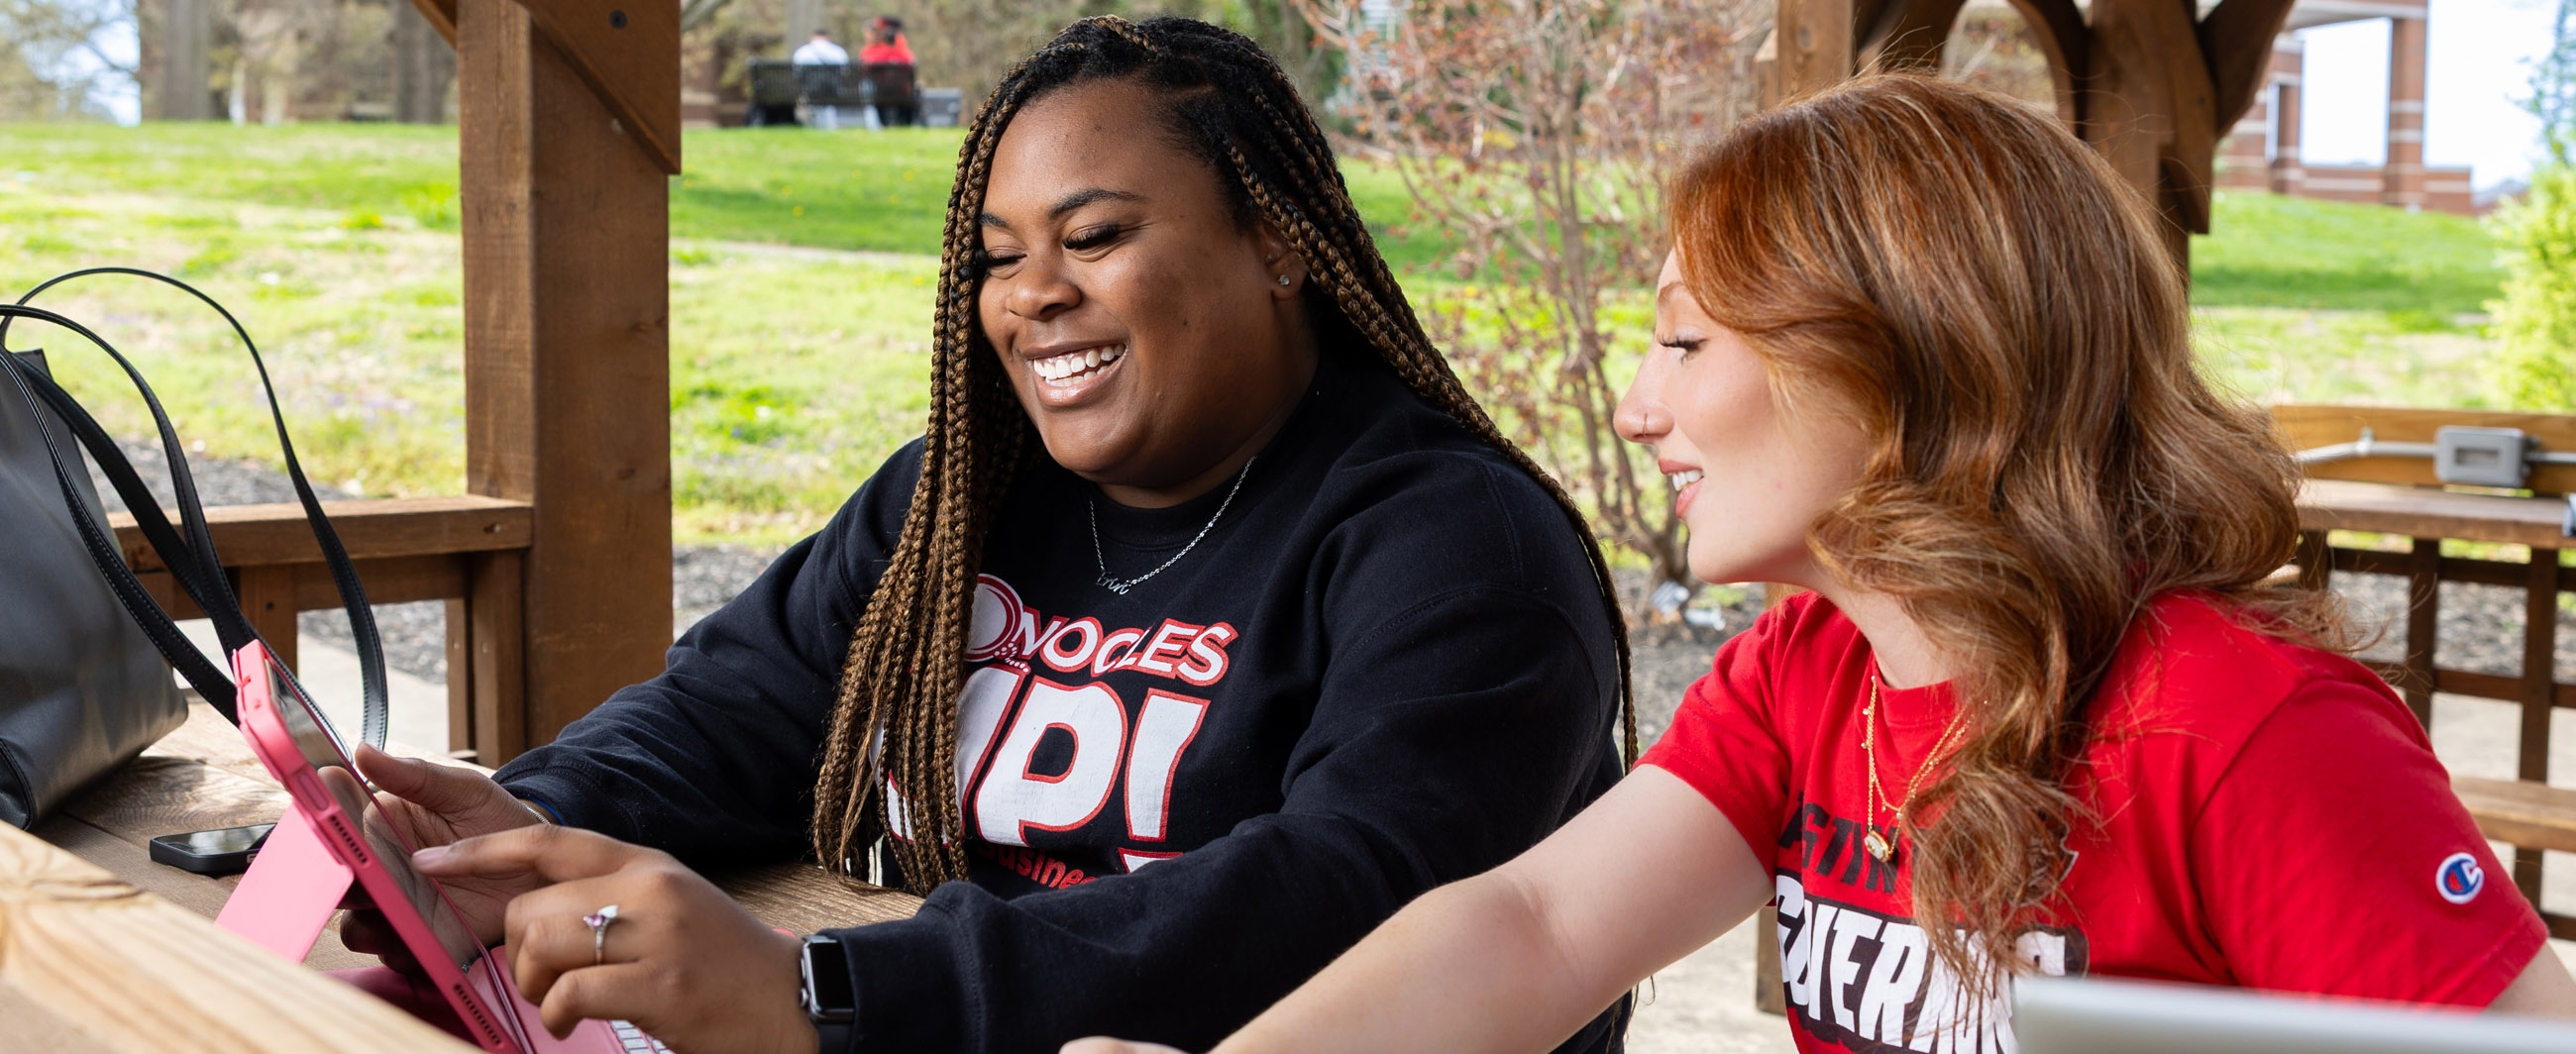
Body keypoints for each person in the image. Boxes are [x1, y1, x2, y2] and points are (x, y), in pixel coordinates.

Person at [1067, 73, 2576, 1054]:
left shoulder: (2241, 727)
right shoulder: (1810, 672)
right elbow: (1532, 929)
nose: (1641, 405)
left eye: (1681, 340)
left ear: (1907, 358)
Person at [343, 16, 1638, 1054]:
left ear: (1280, 245)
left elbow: (1346, 902)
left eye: (1094, 235)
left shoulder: (1460, 543)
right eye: (995, 255)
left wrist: (827, 992)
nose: (1031, 297)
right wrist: (512, 831)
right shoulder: (956, 503)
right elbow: (725, 713)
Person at [859, 17, 917, 127]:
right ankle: (905, 124)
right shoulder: (902, 52)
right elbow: (910, 62)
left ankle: (877, 125)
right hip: (903, 93)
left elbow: (865, 67)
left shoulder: (872, 52)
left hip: (879, 94)